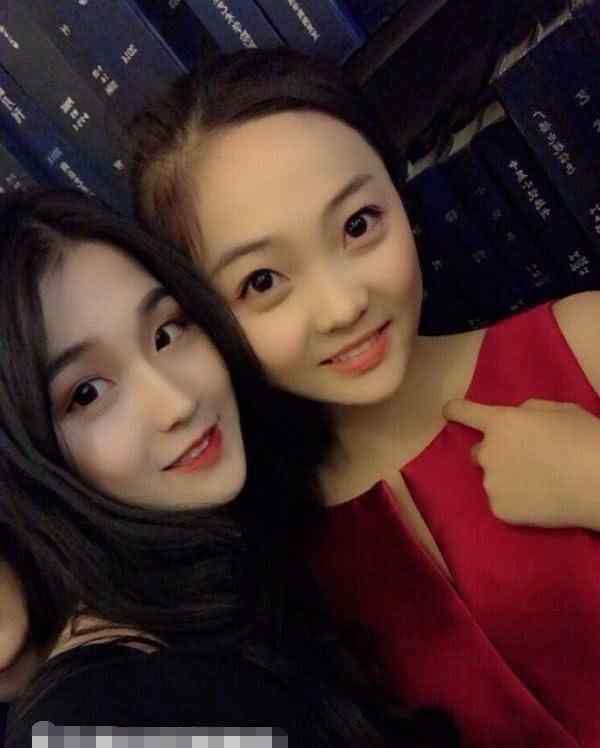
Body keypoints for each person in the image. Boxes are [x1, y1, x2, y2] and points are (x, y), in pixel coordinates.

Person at [130, 47, 600, 747]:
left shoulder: (584, 343)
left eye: (357, 225)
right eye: (262, 282)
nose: (343, 305)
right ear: (204, 318)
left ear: (399, 193)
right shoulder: (276, 576)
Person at [0, 188, 459, 748]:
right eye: (88, 393)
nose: (177, 402)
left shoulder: (243, 561)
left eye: (166, 333)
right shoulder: (92, 725)